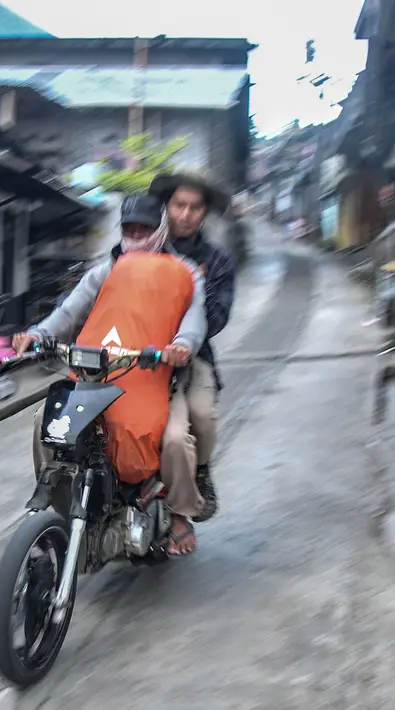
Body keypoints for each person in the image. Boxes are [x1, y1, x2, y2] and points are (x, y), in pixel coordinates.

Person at [11, 194, 208, 556]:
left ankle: (180, 514)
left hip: (157, 378)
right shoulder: (106, 270)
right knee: (46, 424)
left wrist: (181, 344)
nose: (135, 235)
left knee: (177, 440)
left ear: (160, 231)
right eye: (129, 229)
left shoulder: (185, 272)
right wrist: (38, 334)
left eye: (144, 229)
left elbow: (196, 316)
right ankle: (65, 506)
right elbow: (69, 311)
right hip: (100, 376)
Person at [148, 172, 238, 523]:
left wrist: (182, 337)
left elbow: (216, 316)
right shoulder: (144, 248)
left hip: (193, 358)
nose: (185, 215)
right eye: (178, 205)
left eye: (194, 208)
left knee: (201, 417)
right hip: (136, 355)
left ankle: (200, 472)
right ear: (166, 207)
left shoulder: (217, 261)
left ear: (205, 213)